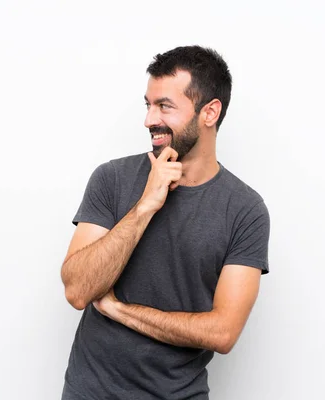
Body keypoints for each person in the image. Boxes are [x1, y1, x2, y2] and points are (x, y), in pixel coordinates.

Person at [60, 45, 271, 400]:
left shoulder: (245, 210)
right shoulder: (113, 179)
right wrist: (146, 206)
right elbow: (78, 291)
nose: (148, 120)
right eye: (148, 104)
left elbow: (223, 333)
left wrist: (121, 311)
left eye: (165, 106)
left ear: (210, 112)